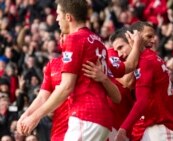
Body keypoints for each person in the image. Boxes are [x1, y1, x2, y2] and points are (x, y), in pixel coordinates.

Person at [19, 0, 121, 140]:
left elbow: (66, 87)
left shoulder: (75, 39)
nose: (56, 18)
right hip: (101, 119)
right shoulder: (98, 41)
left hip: (85, 115)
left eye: (58, 14)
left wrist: (35, 117)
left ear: (68, 17)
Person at [114, 21, 173, 141]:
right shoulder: (149, 58)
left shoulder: (148, 60)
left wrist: (123, 129)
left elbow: (144, 98)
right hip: (149, 127)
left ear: (131, 39)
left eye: (121, 48)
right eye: (149, 36)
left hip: (159, 127)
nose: (119, 54)